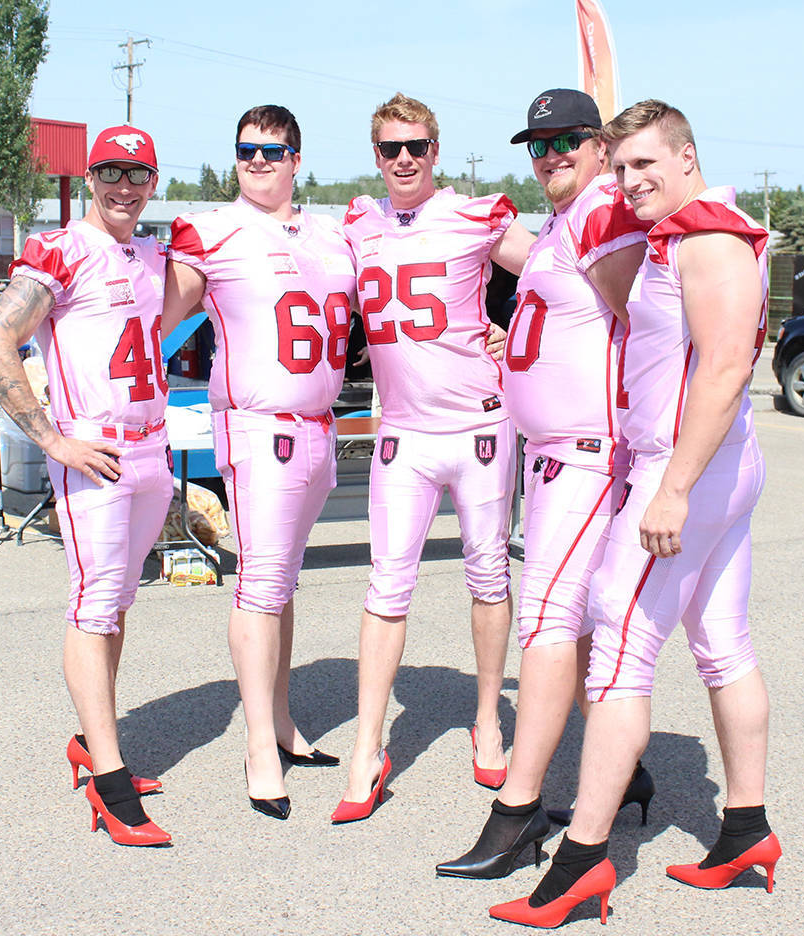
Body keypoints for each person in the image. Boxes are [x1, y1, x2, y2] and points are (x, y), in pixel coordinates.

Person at [489, 100, 779, 928]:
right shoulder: (680, 234)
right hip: (706, 461)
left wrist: (675, 486)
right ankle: (746, 828)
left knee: (617, 642)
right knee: (722, 643)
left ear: (688, 156)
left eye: (648, 163)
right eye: (621, 168)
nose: (632, 180)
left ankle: (581, 861)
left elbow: (724, 370)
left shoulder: (712, 240)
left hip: (686, 464)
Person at [436, 89, 651, 880]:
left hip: (589, 454)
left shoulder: (602, 211)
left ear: (599, 145)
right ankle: (622, 770)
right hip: (554, 453)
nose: (551, 154)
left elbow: (651, 326)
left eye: (568, 140)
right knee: (584, 628)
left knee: (548, 625)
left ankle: (518, 810)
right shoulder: (565, 221)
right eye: (539, 144)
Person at [332, 93, 535, 823]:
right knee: (388, 584)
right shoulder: (358, 221)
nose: (405, 159)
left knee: (487, 572)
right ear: (376, 156)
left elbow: (555, 277)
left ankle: (487, 715)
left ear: (436, 150)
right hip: (404, 433)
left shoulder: (476, 214)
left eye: (416, 145)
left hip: (480, 424)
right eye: (391, 148)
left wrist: (514, 337)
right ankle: (367, 743)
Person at [0, 126, 172, 846]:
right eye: (111, 173)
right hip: (94, 450)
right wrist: (53, 438)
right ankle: (110, 783)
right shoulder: (61, 249)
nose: (125, 187)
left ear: (154, 180)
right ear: (91, 178)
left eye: (138, 174)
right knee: (92, 607)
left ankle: (96, 740)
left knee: (117, 604)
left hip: (152, 450)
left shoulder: (153, 252)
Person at [163, 105, 357, 821]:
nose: (257, 161)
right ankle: (257, 748)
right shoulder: (213, 229)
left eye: (272, 150)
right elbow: (157, 313)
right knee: (261, 583)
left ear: (296, 158)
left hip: (319, 427)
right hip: (258, 428)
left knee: (285, 582)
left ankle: (281, 722)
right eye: (246, 150)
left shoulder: (334, 233)